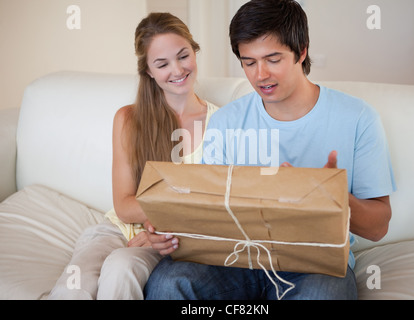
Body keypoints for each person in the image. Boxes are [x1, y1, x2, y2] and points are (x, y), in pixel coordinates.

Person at [144, 0, 396, 300]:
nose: (260, 75)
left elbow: (378, 227)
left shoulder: (357, 118)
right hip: (235, 260)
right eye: (249, 62)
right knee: (168, 281)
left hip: (314, 265)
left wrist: (330, 197)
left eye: (272, 59)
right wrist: (169, 228)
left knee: (322, 295)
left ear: (301, 51)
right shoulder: (226, 121)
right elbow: (206, 209)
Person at [48, 12, 218, 300]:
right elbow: (125, 206)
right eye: (162, 64)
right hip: (115, 230)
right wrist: (182, 204)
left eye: (183, 56)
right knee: (72, 288)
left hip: (170, 239)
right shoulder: (128, 119)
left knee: (120, 269)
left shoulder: (221, 122)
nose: (177, 70)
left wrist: (163, 226)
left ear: (195, 51)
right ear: (149, 71)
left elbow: (216, 206)